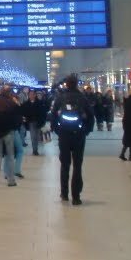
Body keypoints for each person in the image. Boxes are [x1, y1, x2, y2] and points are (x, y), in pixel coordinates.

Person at [51, 74, 94, 205]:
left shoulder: (60, 97)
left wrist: (58, 130)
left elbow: (53, 115)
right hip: (78, 135)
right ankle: (76, 196)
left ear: (66, 84)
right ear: (76, 84)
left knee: (64, 164)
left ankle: (64, 193)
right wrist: (86, 131)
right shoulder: (82, 98)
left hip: (64, 134)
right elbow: (91, 116)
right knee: (77, 165)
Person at [19, 89, 39, 155]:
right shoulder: (26, 104)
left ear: (35, 95)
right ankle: (35, 149)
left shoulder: (39, 103)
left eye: (32, 95)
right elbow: (23, 112)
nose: (31, 96)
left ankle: (36, 148)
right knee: (33, 136)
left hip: (38, 122)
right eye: (30, 95)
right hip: (31, 122)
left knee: (37, 136)